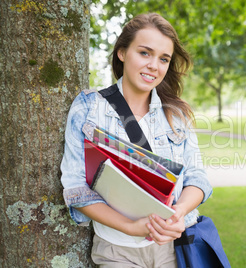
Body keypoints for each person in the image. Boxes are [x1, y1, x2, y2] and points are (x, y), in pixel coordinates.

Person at [60, 13, 213, 267]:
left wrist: (179, 212)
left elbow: (198, 178)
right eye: (145, 53)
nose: (154, 65)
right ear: (122, 52)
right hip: (116, 251)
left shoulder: (176, 113)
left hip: (173, 249)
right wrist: (131, 227)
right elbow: (76, 188)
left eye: (163, 59)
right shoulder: (89, 107)